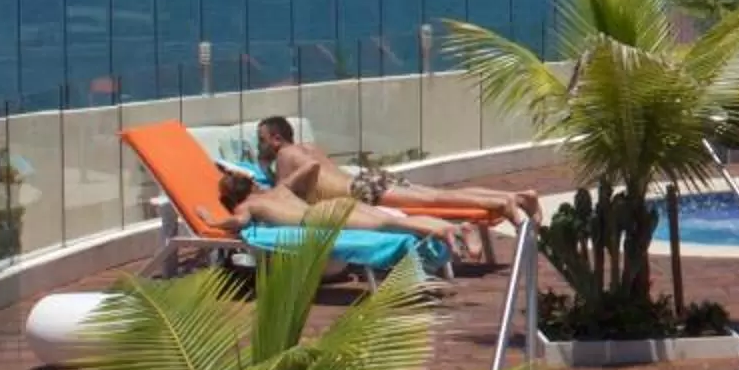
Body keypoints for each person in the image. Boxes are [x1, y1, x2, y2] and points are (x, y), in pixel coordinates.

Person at [255, 116, 537, 220]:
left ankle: (507, 203)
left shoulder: (286, 156)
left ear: (277, 139)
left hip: (361, 190)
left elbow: (289, 196)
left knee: (436, 199)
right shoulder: (307, 146)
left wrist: (272, 182)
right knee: (435, 195)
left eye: (262, 140)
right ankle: (519, 197)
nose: (260, 146)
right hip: (367, 180)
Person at [216, 169, 470, 250]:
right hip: (330, 205)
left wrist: (213, 220)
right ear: (251, 184)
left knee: (391, 225)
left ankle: (446, 232)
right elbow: (309, 168)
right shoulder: (278, 189)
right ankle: (453, 228)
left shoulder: (248, 205)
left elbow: (238, 223)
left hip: (318, 217)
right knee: (388, 219)